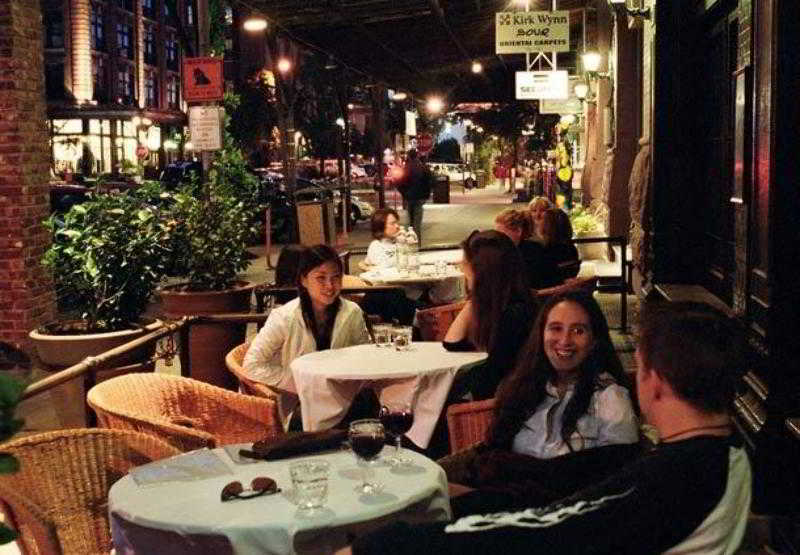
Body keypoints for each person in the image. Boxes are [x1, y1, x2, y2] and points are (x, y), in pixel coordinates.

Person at [340, 302, 752, 555]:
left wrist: (385, 546)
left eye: (640, 368)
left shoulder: (680, 474)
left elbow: (549, 529)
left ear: (655, 381)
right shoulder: (725, 452)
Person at [440, 292, 639, 513]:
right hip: (500, 500)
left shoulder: (610, 398)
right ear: (541, 333)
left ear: (594, 341)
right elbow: (491, 453)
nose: (565, 341)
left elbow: (617, 478)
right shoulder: (525, 387)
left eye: (578, 331)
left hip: (553, 515)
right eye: (555, 328)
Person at [243, 245, 370, 429]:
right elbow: (252, 364)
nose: (330, 285)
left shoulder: (352, 312)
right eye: (321, 278)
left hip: (343, 396)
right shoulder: (284, 317)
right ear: (304, 280)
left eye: (336, 277)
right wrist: (301, 382)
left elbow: (364, 355)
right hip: (300, 402)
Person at [443, 230, 537, 400]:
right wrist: (475, 297)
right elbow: (452, 344)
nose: (461, 267)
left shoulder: (514, 315)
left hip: (500, 407)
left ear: (482, 272)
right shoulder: (501, 306)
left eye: (465, 264)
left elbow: (492, 377)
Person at [494, 208, 557, 290]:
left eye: (502, 234)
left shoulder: (532, 253)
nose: (497, 238)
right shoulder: (504, 249)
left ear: (518, 231)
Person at [397, 149, 432, 243]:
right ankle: (416, 242)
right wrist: (426, 194)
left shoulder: (407, 168)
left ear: (409, 156)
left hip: (409, 198)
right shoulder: (423, 167)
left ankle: (410, 239)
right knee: (417, 222)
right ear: (417, 156)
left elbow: (399, 182)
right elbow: (431, 181)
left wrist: (404, 194)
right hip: (420, 198)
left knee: (410, 221)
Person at [539, 207, 580, 287]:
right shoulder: (571, 248)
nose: (538, 222)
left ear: (548, 225)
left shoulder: (547, 251)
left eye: (541, 219)